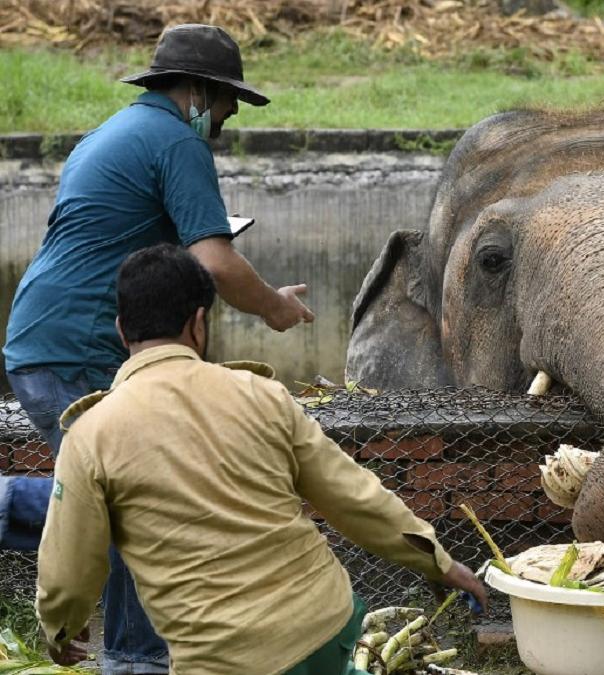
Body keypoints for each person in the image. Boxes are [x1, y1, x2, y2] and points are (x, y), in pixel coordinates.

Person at [0, 24, 312, 673]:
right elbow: (216, 261)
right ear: (198, 91)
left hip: (44, 332)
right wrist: (276, 307)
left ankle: (135, 654)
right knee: (128, 495)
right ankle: (136, 657)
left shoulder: (115, 133)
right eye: (224, 107)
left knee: (128, 493)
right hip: (81, 340)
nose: (223, 122)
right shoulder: (177, 140)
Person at [35, 244, 488, 673]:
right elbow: (352, 495)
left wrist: (60, 628)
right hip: (326, 622)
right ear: (198, 322)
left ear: (120, 329)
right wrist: (440, 562)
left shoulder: (90, 434)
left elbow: (69, 566)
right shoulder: (261, 394)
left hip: (223, 658)